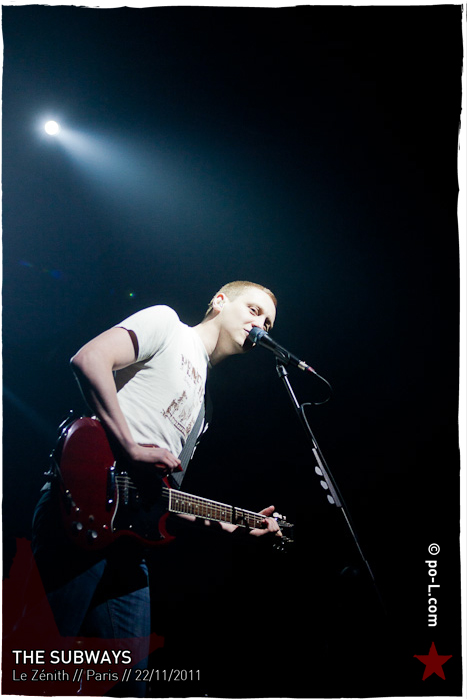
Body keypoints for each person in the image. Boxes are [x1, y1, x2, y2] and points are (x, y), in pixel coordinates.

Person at [31, 281, 282, 696]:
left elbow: (163, 496)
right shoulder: (167, 325)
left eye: (268, 323)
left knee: (132, 689)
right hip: (83, 507)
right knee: (40, 668)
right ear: (219, 302)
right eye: (254, 311)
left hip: (130, 545)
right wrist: (130, 447)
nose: (261, 326)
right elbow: (89, 359)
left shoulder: (205, 409)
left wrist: (231, 523)